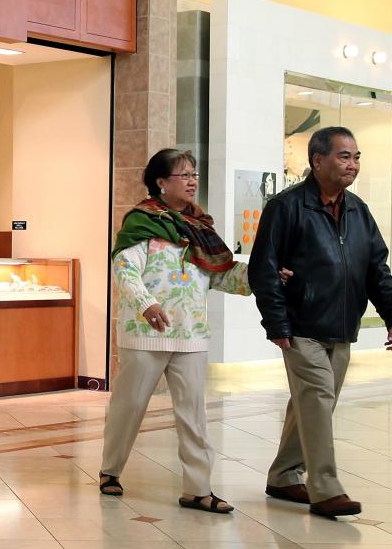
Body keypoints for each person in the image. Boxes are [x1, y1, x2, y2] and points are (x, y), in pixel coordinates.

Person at [100, 148, 290, 513]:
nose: (192, 181)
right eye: (183, 174)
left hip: (191, 334)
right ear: (160, 182)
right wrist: (146, 303)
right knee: (130, 405)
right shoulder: (142, 223)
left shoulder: (201, 229)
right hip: (146, 332)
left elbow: (223, 275)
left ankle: (198, 489)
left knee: (193, 414)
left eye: (194, 174)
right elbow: (124, 269)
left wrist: (266, 277)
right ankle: (110, 470)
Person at [248, 126, 392, 519]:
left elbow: (376, 268)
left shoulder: (358, 210)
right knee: (318, 398)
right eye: (343, 156)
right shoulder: (286, 207)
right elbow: (263, 269)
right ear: (317, 161)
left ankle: (284, 475)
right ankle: (325, 487)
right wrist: (277, 323)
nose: (351, 164)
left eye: (355, 157)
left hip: (341, 327)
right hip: (302, 325)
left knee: (315, 402)